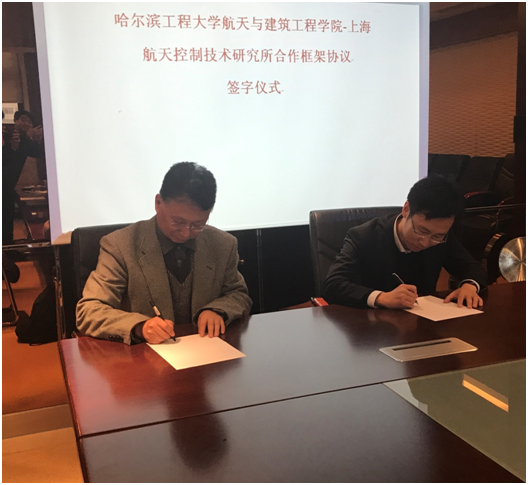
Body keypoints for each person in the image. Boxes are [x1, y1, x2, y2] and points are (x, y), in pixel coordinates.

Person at [76, 162, 252, 345]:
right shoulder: (120, 245)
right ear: (158, 203)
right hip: (144, 355)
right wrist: (140, 327)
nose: (186, 232)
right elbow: (89, 310)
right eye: (178, 222)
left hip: (205, 351)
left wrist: (217, 310)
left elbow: (238, 294)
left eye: (198, 225)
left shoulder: (223, 244)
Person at [323, 175, 487, 310]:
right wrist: (382, 297)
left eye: (437, 236)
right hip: (369, 327)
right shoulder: (364, 236)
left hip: (422, 323)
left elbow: (472, 268)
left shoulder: (441, 237)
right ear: (406, 209)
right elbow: (333, 284)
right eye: (422, 231)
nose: (425, 242)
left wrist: (469, 286)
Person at [2, 110, 44, 245]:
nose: (26, 123)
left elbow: (38, 153)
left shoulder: (24, 140)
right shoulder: (7, 134)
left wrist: (37, 141)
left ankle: (8, 247)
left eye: (29, 122)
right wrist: (27, 136)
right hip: (4, 183)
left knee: (7, 219)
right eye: (23, 119)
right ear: (15, 121)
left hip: (8, 186)